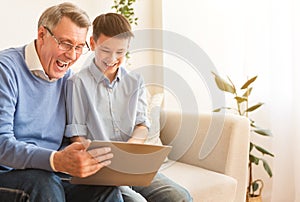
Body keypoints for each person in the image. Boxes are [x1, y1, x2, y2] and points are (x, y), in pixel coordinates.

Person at [0, 3, 123, 202]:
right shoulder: (6, 69)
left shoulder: (68, 79)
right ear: (42, 35)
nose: (72, 55)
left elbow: (69, 140)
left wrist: (86, 156)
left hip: (48, 172)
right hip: (7, 173)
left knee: (105, 188)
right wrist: (55, 160)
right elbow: (1, 145)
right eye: (65, 43)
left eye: (79, 47)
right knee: (42, 183)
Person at [65, 12, 193, 202]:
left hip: (133, 166)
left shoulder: (135, 81)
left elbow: (142, 124)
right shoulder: (77, 83)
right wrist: (105, 160)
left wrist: (132, 146)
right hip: (100, 171)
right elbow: (77, 135)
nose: (112, 58)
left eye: (120, 52)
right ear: (92, 44)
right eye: (106, 50)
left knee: (180, 197)